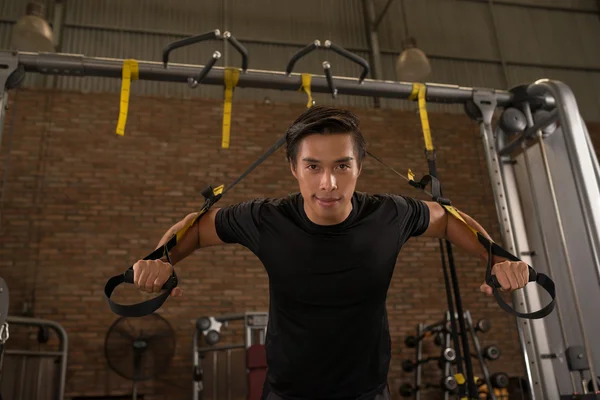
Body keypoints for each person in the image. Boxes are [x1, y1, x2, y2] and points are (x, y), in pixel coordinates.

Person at [131, 106, 529, 400]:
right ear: (293, 168)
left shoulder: (389, 214)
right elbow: (198, 227)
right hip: (288, 393)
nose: (328, 183)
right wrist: (161, 259)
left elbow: (445, 217)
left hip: (367, 392)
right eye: (313, 167)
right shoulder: (267, 219)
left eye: (342, 166)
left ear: (359, 167)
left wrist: (495, 258)